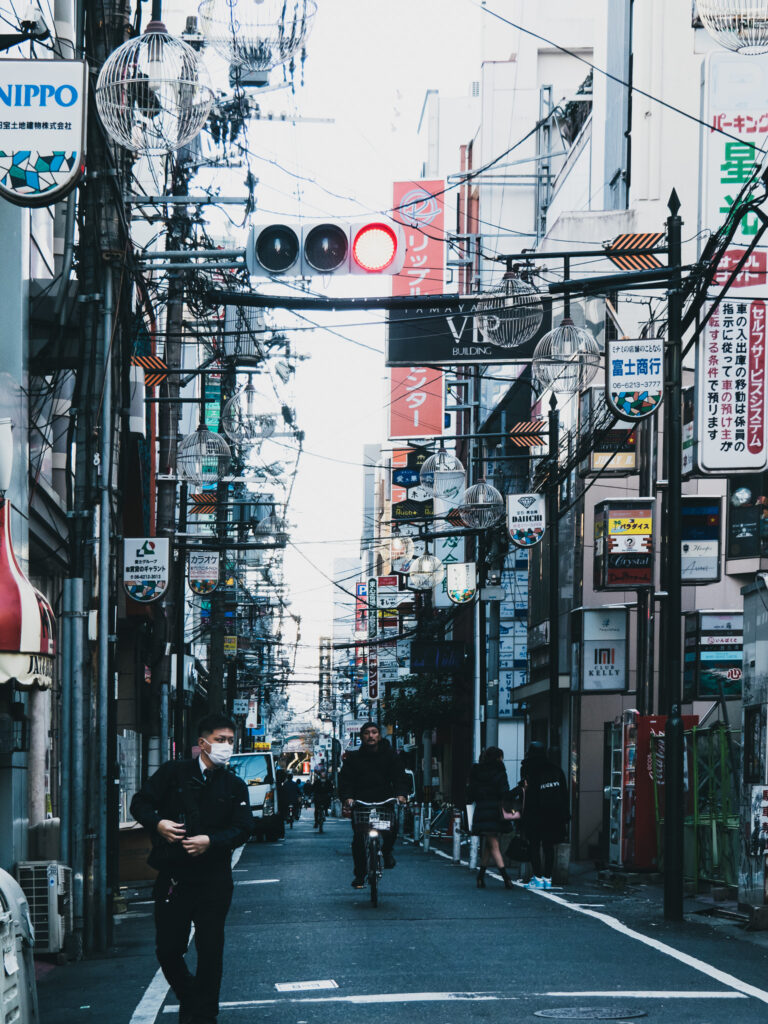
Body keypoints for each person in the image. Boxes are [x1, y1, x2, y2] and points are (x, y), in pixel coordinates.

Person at [130, 714, 251, 1024]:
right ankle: (192, 998)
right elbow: (140, 802)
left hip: (214, 879)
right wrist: (158, 824)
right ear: (203, 743)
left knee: (211, 949)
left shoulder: (234, 785)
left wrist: (211, 841)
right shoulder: (174, 772)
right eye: (220, 739)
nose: (226, 746)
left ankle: (204, 1014)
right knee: (168, 949)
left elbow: (243, 828)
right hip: (175, 877)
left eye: (230, 741)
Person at [338, 721, 409, 888]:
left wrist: (401, 794)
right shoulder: (354, 758)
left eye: (374, 732)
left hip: (384, 800)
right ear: (362, 737)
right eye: (367, 733)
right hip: (361, 802)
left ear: (379, 735)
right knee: (358, 840)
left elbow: (400, 776)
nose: (371, 736)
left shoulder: (390, 756)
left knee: (390, 830)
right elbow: (345, 780)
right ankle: (360, 875)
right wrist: (347, 797)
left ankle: (386, 852)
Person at [520, 741, 570, 890]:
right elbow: (564, 794)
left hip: (534, 814)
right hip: (553, 815)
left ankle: (537, 878)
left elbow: (526, 793)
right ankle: (548, 878)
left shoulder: (528, 769)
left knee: (534, 846)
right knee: (549, 846)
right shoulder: (556, 770)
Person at [466, 746, 514, 889]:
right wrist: (519, 790)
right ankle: (506, 878)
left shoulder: (477, 772)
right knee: (494, 844)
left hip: (481, 811)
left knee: (489, 845)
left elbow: (471, 794)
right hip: (495, 813)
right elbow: (505, 793)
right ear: (498, 758)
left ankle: (480, 877)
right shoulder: (500, 773)